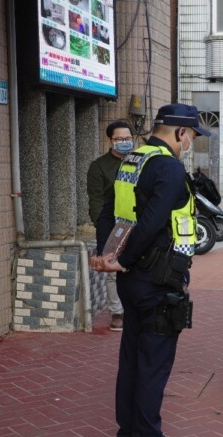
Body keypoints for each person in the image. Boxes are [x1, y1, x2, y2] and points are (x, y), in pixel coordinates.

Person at [94, 103, 209, 437]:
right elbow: (154, 222)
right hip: (157, 279)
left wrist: (108, 254)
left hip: (131, 281)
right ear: (179, 132)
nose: (190, 142)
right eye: (191, 135)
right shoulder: (169, 167)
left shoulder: (133, 161)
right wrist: (123, 260)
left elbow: (107, 213)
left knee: (131, 359)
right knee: (152, 364)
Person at [87, 120, 132, 331]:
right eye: (119, 139)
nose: (124, 142)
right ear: (110, 140)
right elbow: (95, 200)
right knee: (113, 271)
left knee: (132, 267)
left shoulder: (139, 161)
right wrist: (102, 226)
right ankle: (117, 312)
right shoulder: (99, 166)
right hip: (112, 225)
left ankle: (133, 308)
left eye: (128, 139)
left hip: (136, 224)